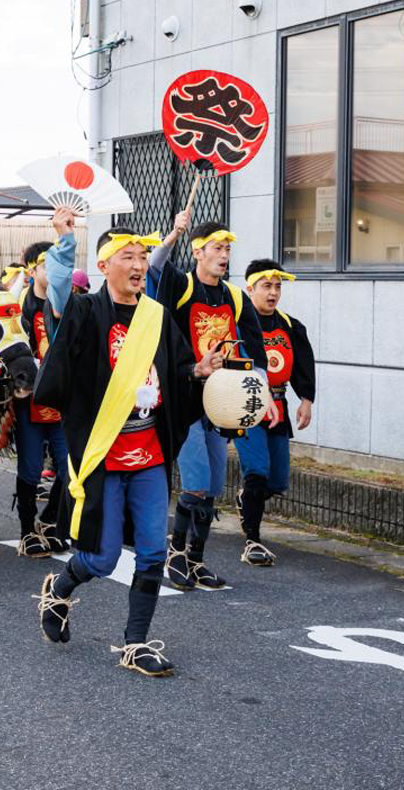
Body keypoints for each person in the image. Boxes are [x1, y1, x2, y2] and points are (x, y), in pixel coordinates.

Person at [32, 208, 220, 677]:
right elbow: (56, 296)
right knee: (102, 557)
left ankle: (135, 643)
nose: (138, 265)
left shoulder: (156, 316)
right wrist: (64, 243)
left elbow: (176, 370)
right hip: (103, 452)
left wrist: (196, 371)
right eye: (127, 257)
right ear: (104, 267)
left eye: (141, 256)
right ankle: (60, 586)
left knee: (154, 551)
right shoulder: (84, 312)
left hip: (149, 452)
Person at [149, 217, 271, 591]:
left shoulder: (234, 297)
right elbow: (154, 267)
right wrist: (174, 233)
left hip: (220, 402)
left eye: (228, 249)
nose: (224, 255)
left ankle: (197, 560)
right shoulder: (181, 286)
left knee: (214, 485)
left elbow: (256, 350)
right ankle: (176, 552)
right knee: (197, 481)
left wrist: (262, 391)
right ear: (197, 251)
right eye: (217, 248)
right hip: (184, 398)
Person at [232, 260, 316, 566]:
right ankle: (252, 541)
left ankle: (247, 501)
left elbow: (303, 364)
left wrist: (306, 399)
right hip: (248, 403)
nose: (273, 293)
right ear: (250, 289)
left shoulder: (290, 326)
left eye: (277, 286)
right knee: (257, 471)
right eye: (266, 286)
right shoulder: (239, 323)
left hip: (278, 406)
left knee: (278, 481)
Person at [14, 240, 70, 556]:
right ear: (31, 270)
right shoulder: (20, 307)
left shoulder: (69, 303)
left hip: (61, 400)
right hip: (29, 399)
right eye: (47, 265)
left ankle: (50, 519)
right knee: (31, 468)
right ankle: (26, 530)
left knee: (68, 465)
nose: (54, 271)